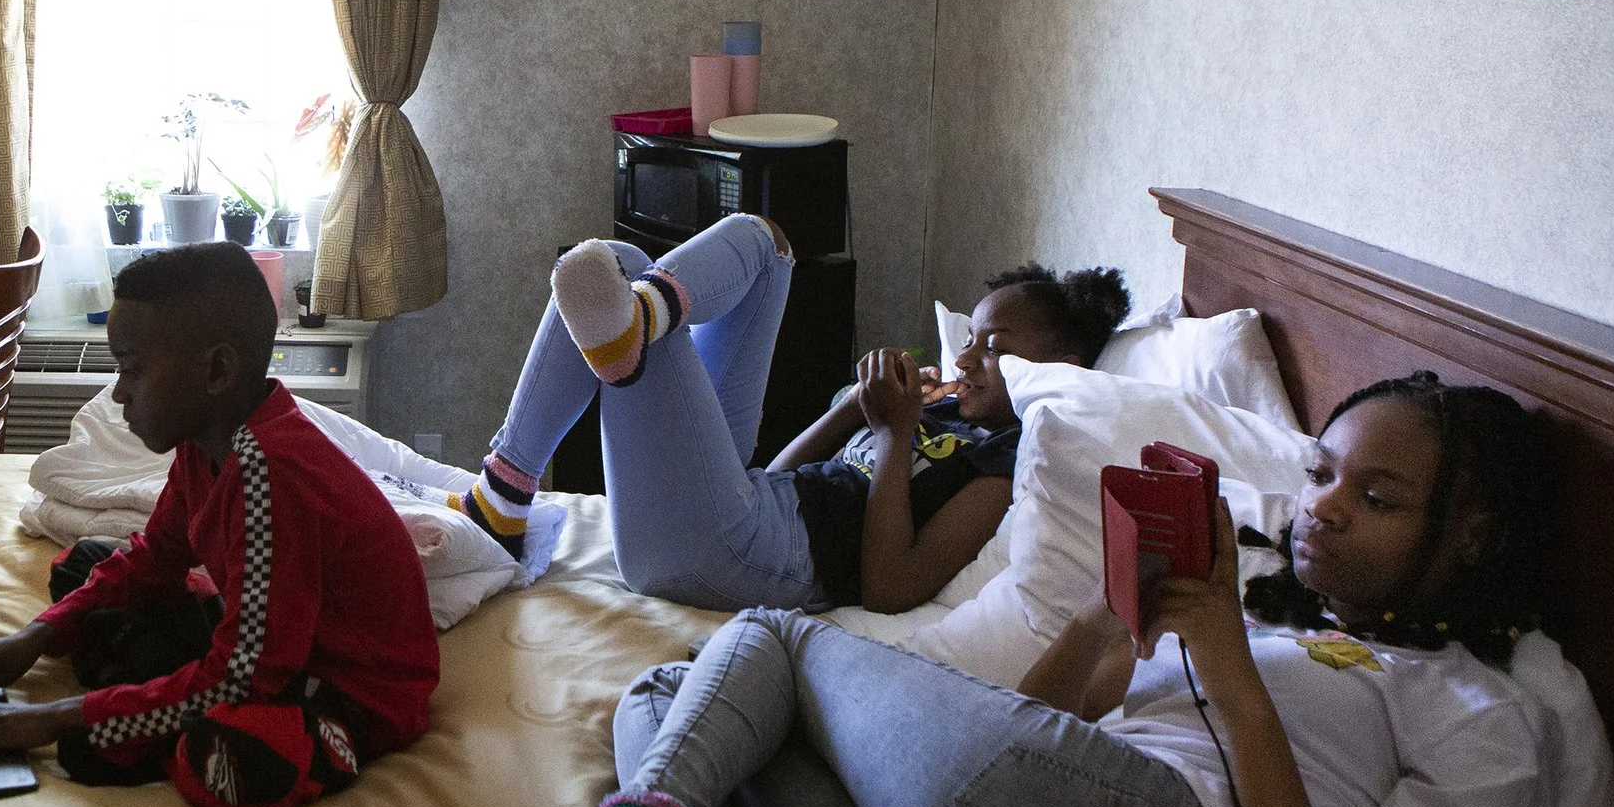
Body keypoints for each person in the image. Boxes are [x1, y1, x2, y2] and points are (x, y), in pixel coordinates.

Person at [395, 374, 1564, 807]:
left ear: (1470, 539)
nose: (1324, 508)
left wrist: (1234, 678)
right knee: (671, 691)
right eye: (1320, 472)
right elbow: (1037, 735)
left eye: (1379, 496)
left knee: (769, 641)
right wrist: (1116, 618)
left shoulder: (1479, 715)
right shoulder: (1252, 610)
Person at [0, 243, 440, 807]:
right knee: (86, 566)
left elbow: (244, 677)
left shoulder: (269, 476)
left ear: (216, 371)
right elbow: (155, 557)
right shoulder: (204, 442)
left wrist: (57, 719)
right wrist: (34, 638)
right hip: (272, 646)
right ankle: (139, 703)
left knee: (211, 759)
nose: (119, 393)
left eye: (133, 369)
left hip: (345, 691)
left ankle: (152, 718)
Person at [452, 213, 1128, 612]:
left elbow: (892, 587)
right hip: (745, 512)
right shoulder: (944, 416)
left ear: (1060, 367)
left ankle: (509, 487)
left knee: (641, 279)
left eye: (995, 347)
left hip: (727, 556)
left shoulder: (1003, 463)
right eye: (972, 339)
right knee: (727, 250)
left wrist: (895, 436)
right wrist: (856, 414)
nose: (969, 357)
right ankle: (512, 485)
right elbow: (776, 476)